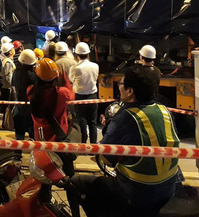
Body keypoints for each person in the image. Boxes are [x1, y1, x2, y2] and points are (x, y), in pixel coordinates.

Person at [71, 67, 180, 217]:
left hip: (137, 193)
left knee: (77, 182)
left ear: (130, 91)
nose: (119, 87)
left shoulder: (126, 118)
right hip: (168, 189)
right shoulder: (164, 111)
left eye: (121, 84)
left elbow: (106, 159)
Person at [28, 58, 79, 217]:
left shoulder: (31, 92)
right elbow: (71, 95)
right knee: (70, 181)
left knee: (45, 182)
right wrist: (66, 80)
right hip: (59, 143)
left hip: (42, 145)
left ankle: (45, 211)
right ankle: (75, 213)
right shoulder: (62, 93)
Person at [69, 42, 99, 143]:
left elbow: (71, 79)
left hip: (79, 97)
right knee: (93, 123)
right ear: (88, 53)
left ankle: (83, 144)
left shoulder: (75, 68)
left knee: (82, 122)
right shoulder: (95, 66)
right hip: (93, 96)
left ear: (77, 55)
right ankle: (94, 144)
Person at [11, 49, 38, 140]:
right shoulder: (33, 76)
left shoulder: (16, 72)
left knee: (19, 133)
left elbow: (13, 85)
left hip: (19, 104)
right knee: (33, 134)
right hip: (31, 107)